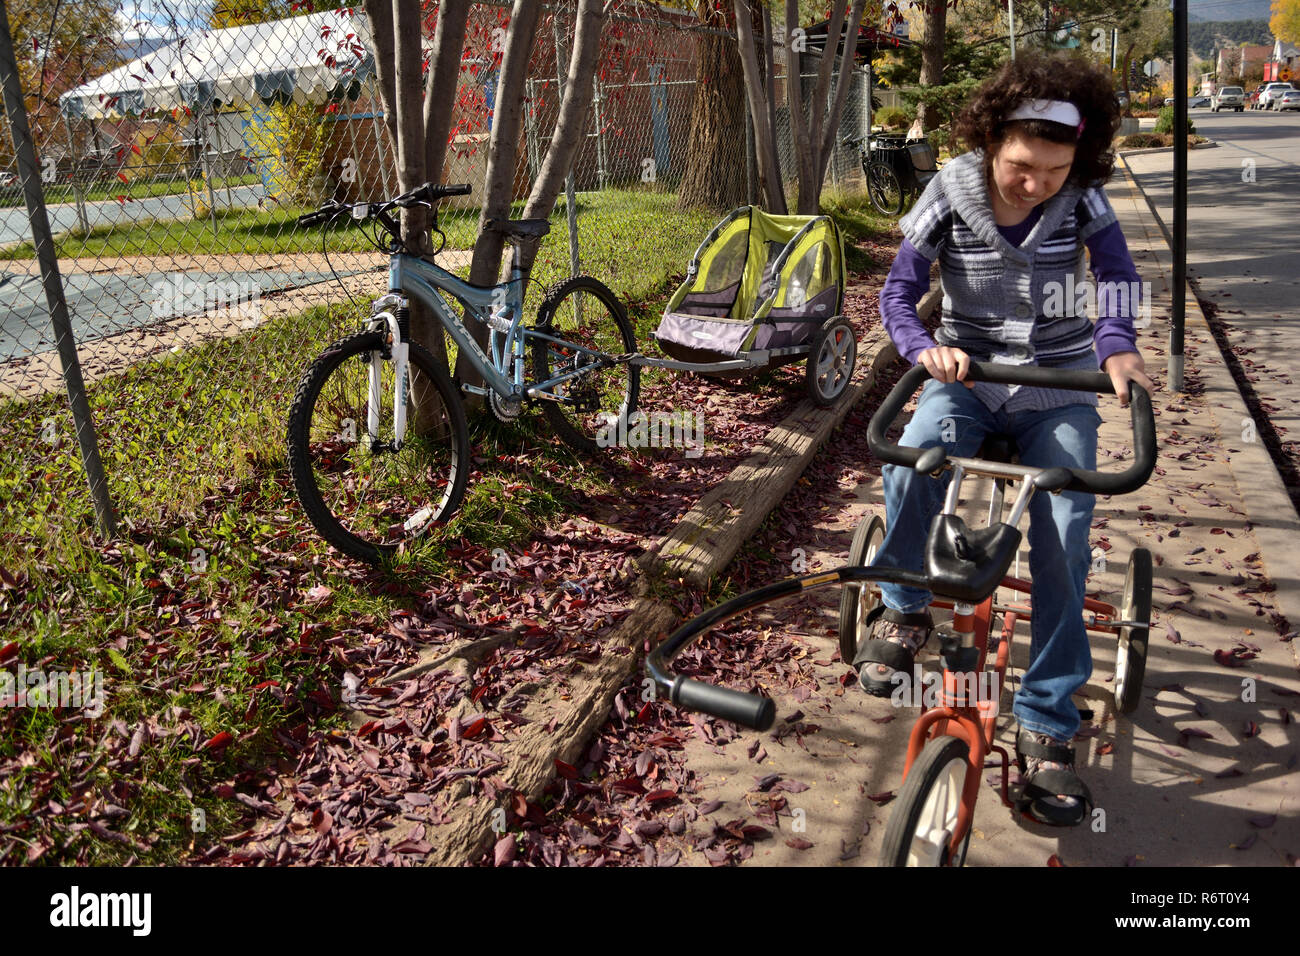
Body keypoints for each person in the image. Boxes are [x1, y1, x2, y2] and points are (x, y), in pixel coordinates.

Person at [861, 52, 1155, 827]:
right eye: (1024, 167)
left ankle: (1050, 713)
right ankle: (901, 604)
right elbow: (898, 290)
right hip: (971, 373)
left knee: (1066, 522)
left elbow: (1118, 272)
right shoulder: (951, 187)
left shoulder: (1085, 195)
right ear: (992, 141)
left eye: (1054, 171)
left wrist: (1116, 341)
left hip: (1061, 382)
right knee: (915, 457)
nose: (1036, 184)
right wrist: (921, 348)